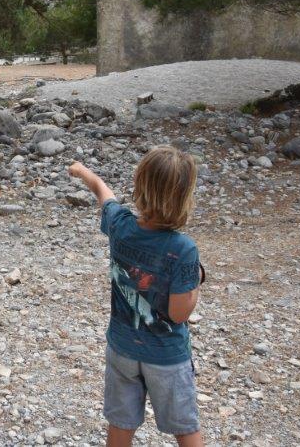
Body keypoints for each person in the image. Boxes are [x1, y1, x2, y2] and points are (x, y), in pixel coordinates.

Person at [68, 146, 205, 447]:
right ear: (184, 197)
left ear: (140, 186)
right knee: (185, 427)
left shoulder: (120, 226)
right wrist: (195, 287)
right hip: (166, 356)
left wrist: (83, 173)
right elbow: (179, 313)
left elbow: (104, 194)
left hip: (122, 349)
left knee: (121, 424)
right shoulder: (183, 249)